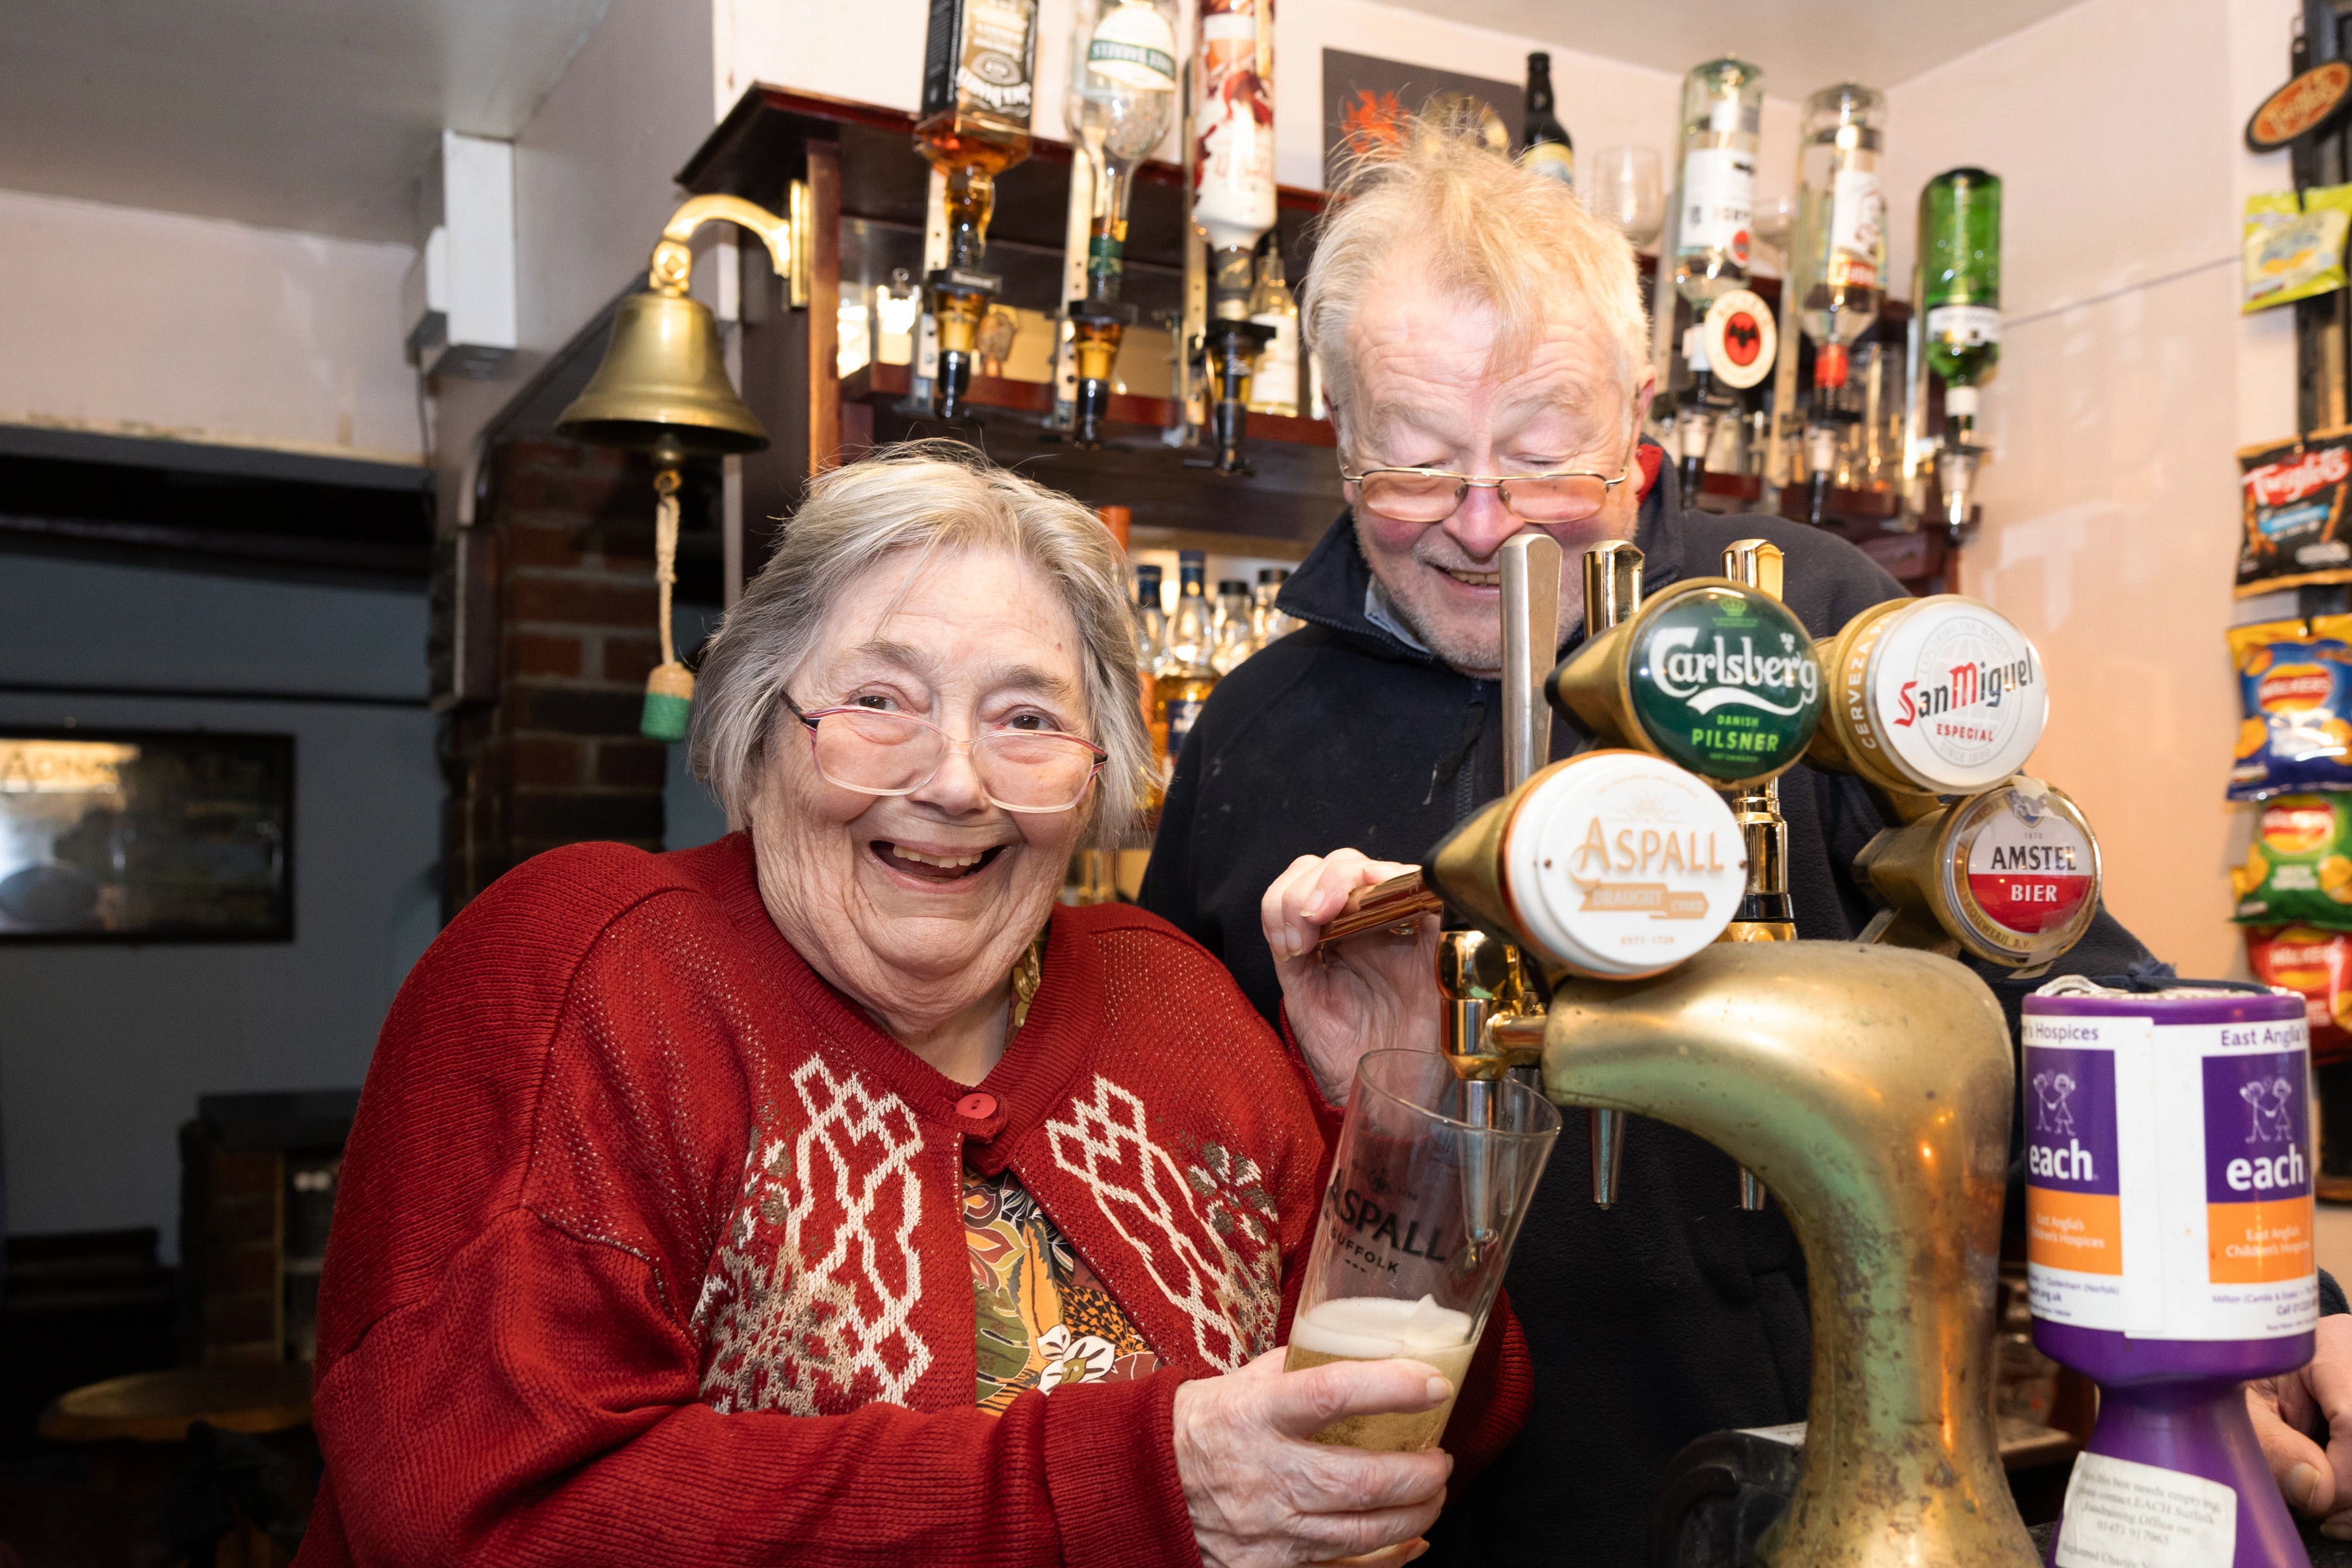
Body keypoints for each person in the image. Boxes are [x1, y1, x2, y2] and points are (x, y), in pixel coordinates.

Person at [1142, 122, 2352, 1558]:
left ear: (1637, 407)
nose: (1485, 527)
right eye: (1410, 466)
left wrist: (2285, 1313)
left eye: (1543, 457)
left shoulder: (1799, 627)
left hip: (1814, 1477)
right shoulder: (1251, 735)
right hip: (1410, 1515)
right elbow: (1181, 1166)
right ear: (1332, 421)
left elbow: (2059, 984)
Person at [298, 446, 1527, 1568]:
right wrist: (1142, 1487)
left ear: (1099, 774)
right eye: (881, 701)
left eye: (1028, 719)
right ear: (758, 725)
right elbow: (487, 1513)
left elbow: (1425, 1434)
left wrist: (1397, 1115)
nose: (955, 782)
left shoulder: (1172, 997)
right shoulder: (589, 969)